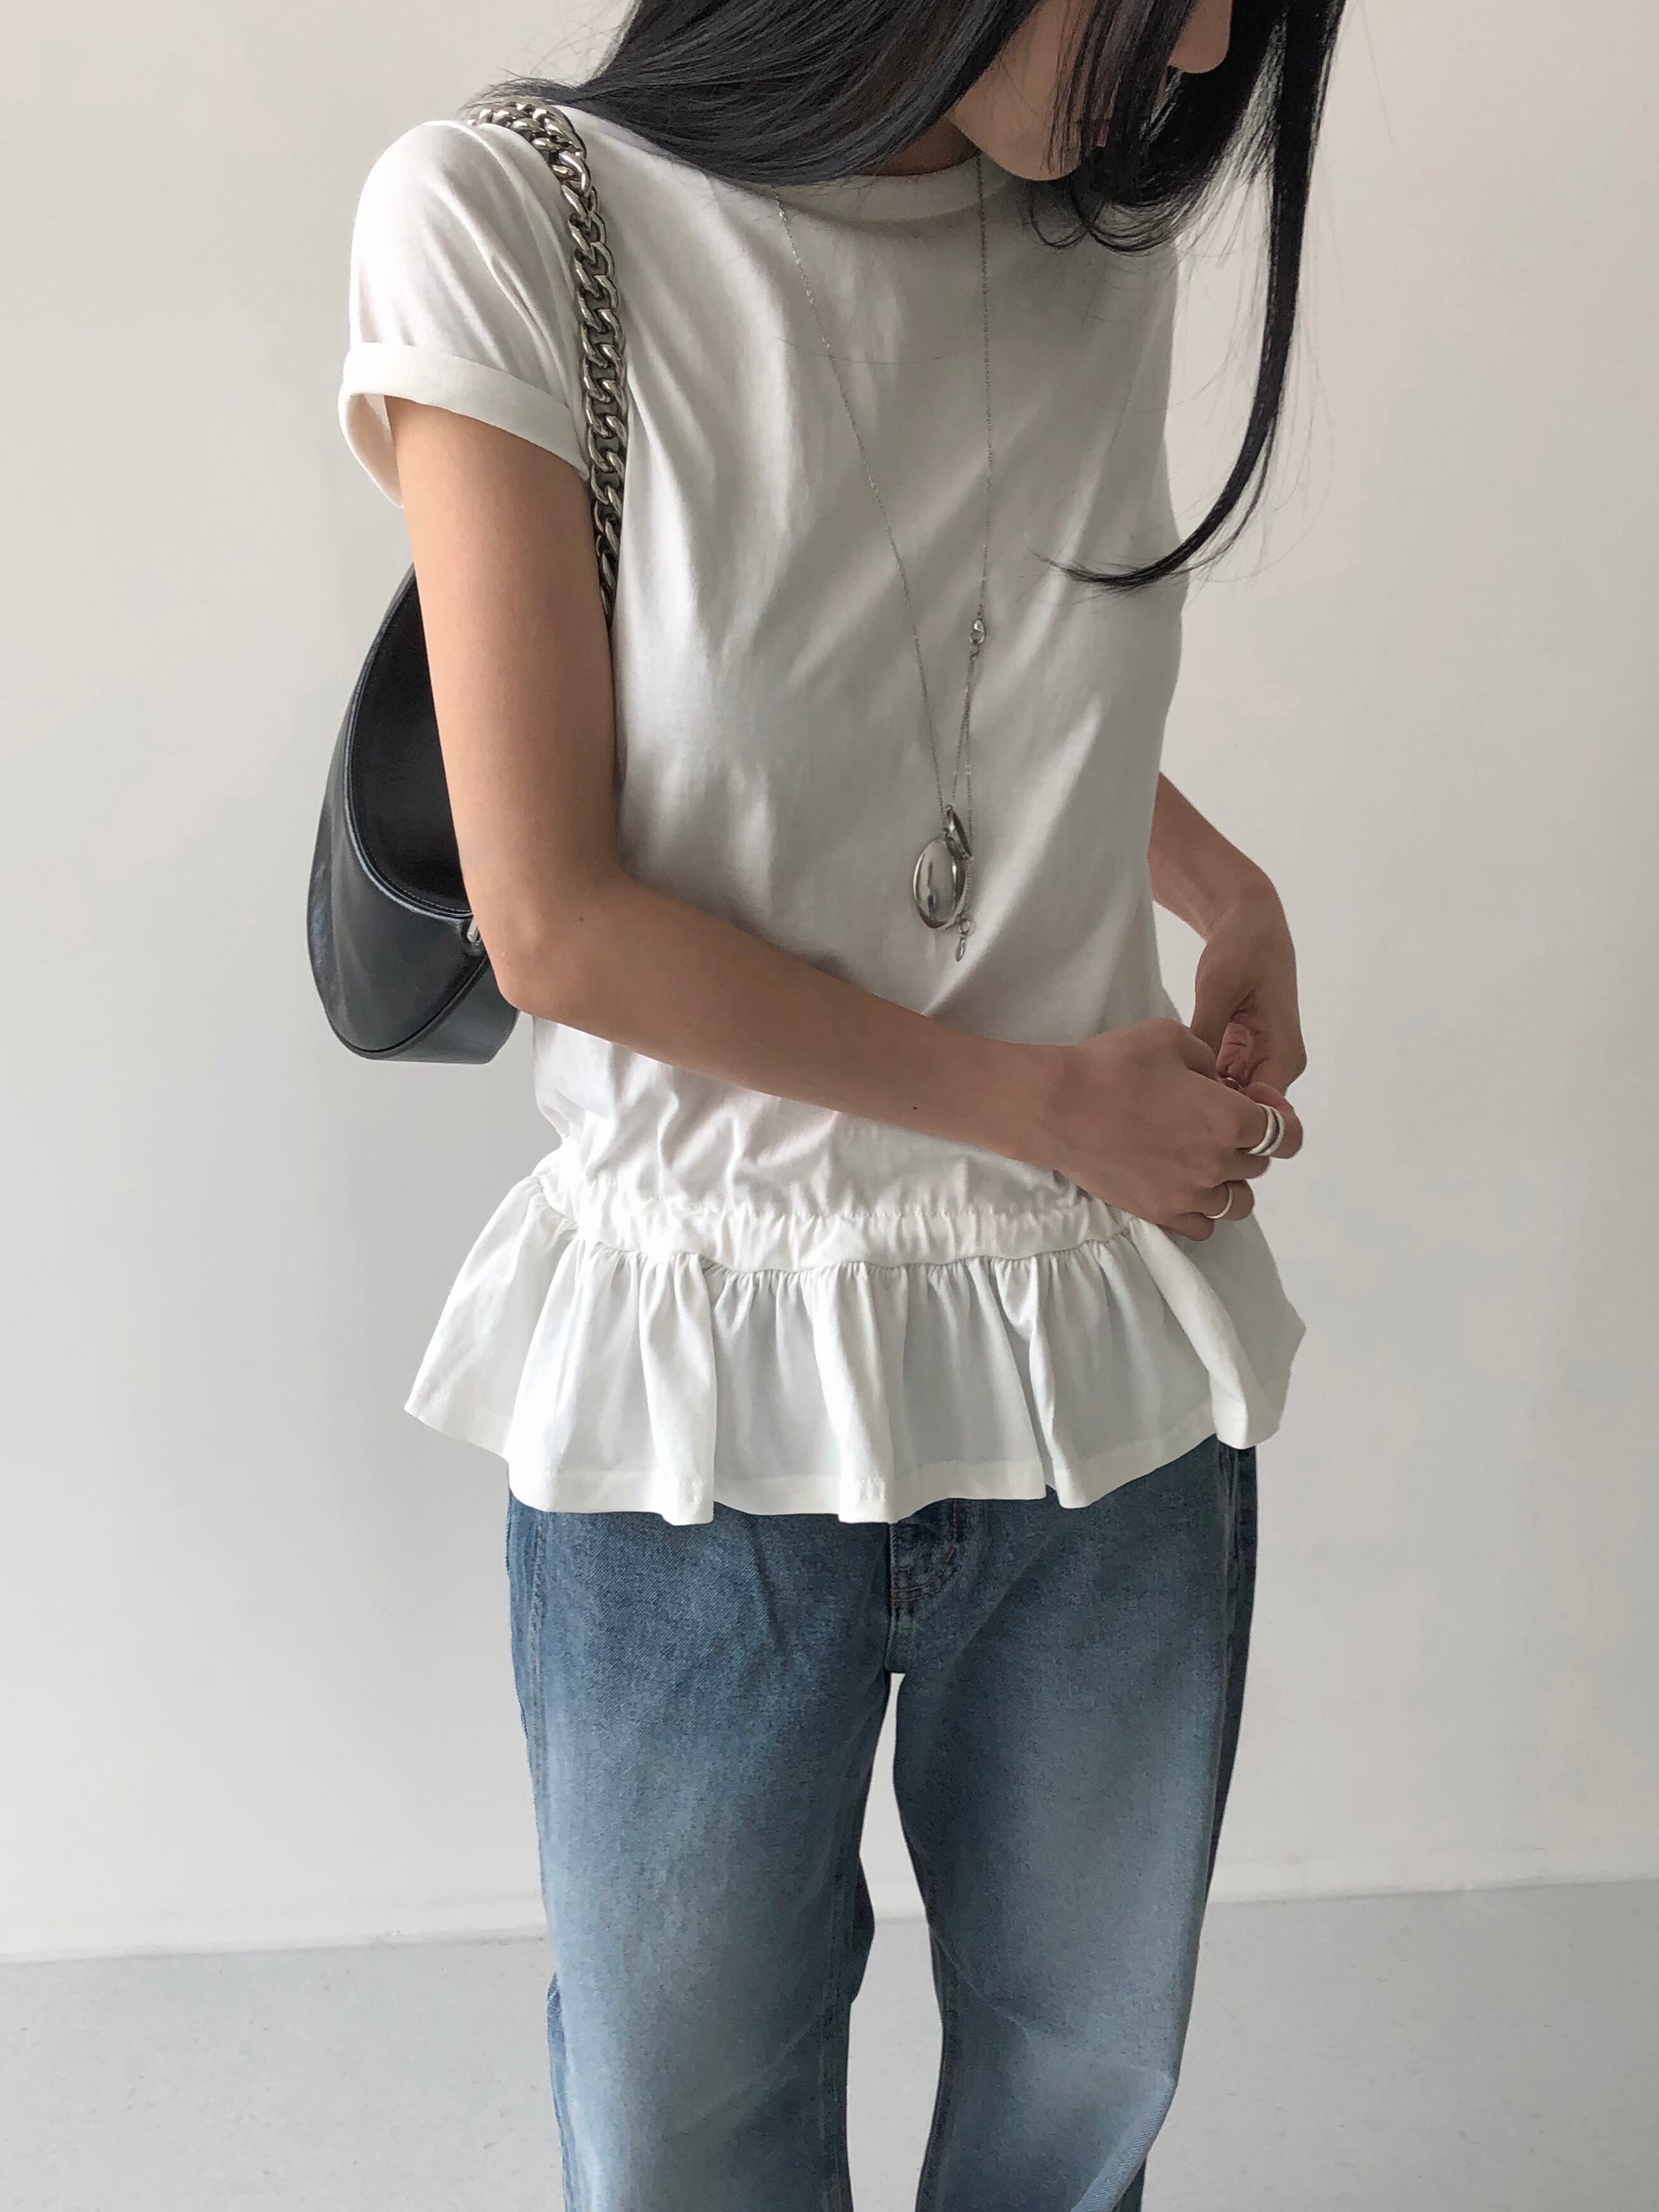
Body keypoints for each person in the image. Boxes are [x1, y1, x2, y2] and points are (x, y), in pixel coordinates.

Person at [336, 0, 1344, 2202]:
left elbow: (947, 678)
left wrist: (1217, 881)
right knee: (684, 2137)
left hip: (1095, 1367)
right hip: (696, 1394)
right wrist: (1045, 1108)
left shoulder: (1092, 239)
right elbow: (556, 922)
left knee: (1079, 2102)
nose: (1200, 49)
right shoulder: (506, 216)